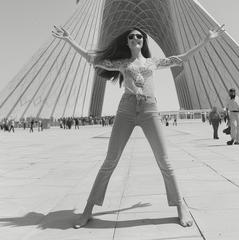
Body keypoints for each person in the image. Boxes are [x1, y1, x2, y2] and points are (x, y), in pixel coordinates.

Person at [52, 23, 225, 228]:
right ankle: (87, 211)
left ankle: (181, 207)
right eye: (132, 37)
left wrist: (206, 40)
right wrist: (70, 40)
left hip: (149, 109)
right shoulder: (122, 63)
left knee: (164, 160)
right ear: (127, 41)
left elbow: (182, 58)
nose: (136, 39)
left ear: (143, 42)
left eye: (140, 37)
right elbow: (92, 59)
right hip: (126, 109)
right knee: (110, 161)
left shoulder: (154, 62)